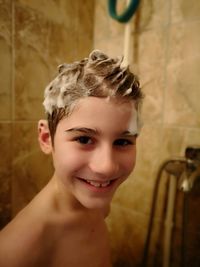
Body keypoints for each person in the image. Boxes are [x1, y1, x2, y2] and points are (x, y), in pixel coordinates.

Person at [0, 50, 143, 267]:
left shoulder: (97, 203)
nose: (106, 167)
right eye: (84, 139)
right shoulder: (17, 251)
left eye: (122, 142)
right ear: (47, 138)